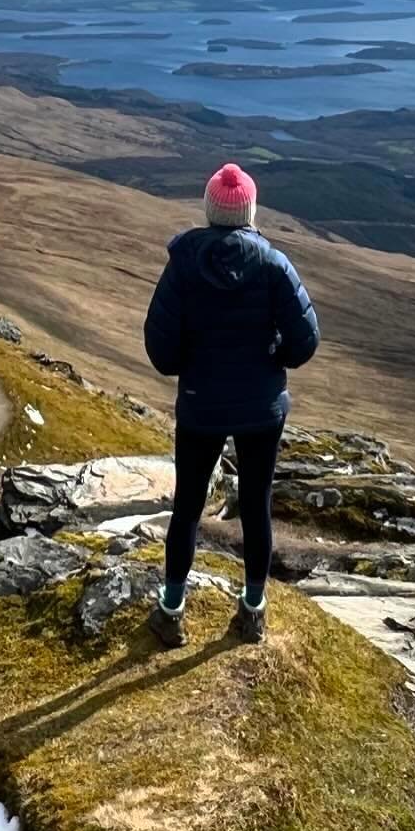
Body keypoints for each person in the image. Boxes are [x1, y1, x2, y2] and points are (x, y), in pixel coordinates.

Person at [142, 161, 320, 646]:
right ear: (250, 211)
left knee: (188, 507)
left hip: (200, 404)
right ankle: (253, 612)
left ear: (208, 209)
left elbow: (160, 348)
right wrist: (271, 360)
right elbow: (306, 341)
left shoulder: (182, 265)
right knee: (257, 503)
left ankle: (171, 610)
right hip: (262, 406)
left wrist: (194, 368)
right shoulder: (273, 265)